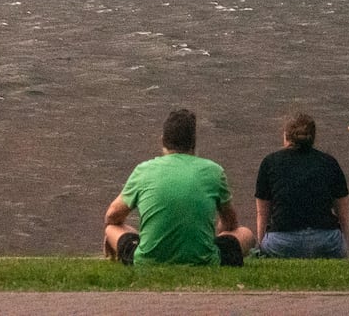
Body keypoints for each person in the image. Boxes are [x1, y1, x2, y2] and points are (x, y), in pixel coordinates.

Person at [103, 109, 256, 267]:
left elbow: (112, 216)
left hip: (147, 261)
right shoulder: (214, 171)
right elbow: (230, 223)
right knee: (247, 234)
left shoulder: (143, 170)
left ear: (162, 140)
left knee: (112, 228)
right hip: (205, 261)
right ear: (193, 142)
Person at [254, 111, 349, 258]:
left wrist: (261, 246)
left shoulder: (270, 162)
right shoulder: (329, 162)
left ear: (286, 135)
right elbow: (342, 213)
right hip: (326, 242)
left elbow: (262, 214)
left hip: (282, 244)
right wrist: (344, 245)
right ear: (313, 137)